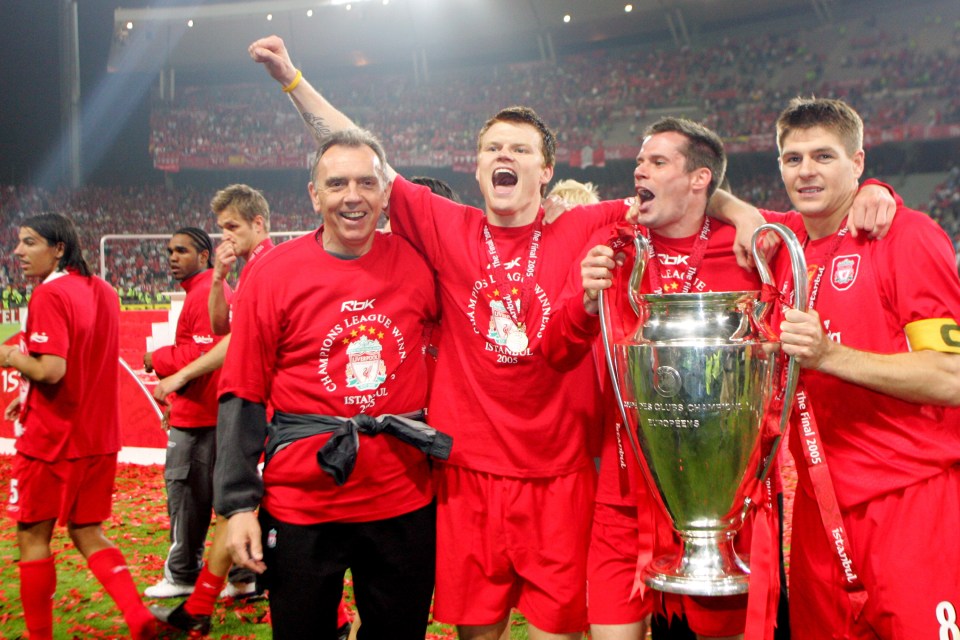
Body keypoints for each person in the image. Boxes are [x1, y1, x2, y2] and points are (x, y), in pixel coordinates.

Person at [247, 35, 779, 640]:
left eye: (521, 148)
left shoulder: (584, 224)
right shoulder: (447, 225)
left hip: (559, 477)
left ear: (546, 170)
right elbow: (362, 160)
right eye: (493, 147)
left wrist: (745, 212)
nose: (505, 154)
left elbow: (682, 191)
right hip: (468, 475)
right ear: (477, 167)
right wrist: (292, 79)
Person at [542, 116, 899, 640]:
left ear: (699, 180)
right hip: (626, 493)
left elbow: (827, 214)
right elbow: (555, 350)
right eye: (640, 161)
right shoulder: (611, 240)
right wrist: (585, 301)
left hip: (727, 496)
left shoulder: (756, 240)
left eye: (657, 162)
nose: (639, 169)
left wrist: (875, 190)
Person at [215, 128, 448, 639]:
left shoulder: (420, 264)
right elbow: (242, 390)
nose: (353, 196)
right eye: (337, 183)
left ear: (386, 194)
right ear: (314, 195)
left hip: (402, 500)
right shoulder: (273, 274)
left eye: (367, 182)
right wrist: (236, 507)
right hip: (302, 503)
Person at [773, 97, 960, 640]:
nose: (806, 170)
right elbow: (714, 201)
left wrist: (830, 357)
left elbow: (950, 377)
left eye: (823, 156)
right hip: (816, 509)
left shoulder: (907, 236)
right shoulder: (784, 246)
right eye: (792, 158)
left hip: (908, 500)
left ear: (857, 163)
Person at [1, 213, 157, 640]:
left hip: (52, 440)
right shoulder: (104, 290)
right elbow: (84, 364)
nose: (18, 252)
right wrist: (25, 395)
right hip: (100, 438)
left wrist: (11, 357)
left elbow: (51, 370)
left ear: (59, 249)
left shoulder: (49, 296)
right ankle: (136, 613)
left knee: (32, 535)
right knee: (87, 529)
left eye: (29, 242)